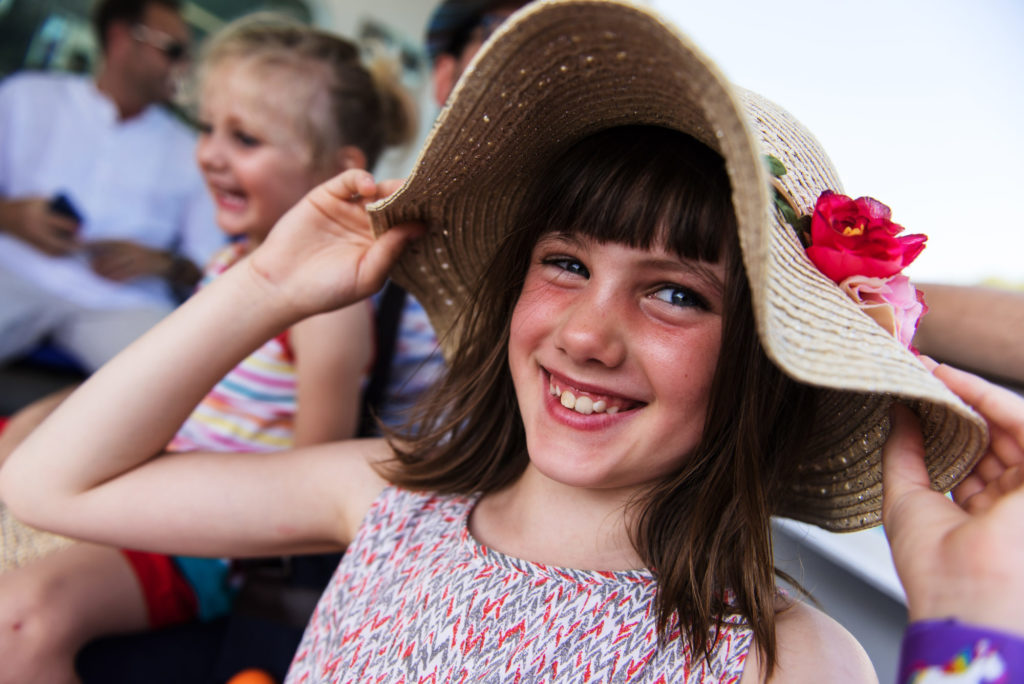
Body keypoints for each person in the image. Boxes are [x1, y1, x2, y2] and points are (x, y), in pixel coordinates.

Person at [1, 1, 1020, 681]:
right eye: (566, 263)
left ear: (761, 359)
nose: (586, 331)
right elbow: (54, 485)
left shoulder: (785, 654)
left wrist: (969, 616)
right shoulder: (391, 495)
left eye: (673, 294)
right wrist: (265, 286)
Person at [0, 14, 417, 684]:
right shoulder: (232, 259)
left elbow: (301, 489)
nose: (210, 153)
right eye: (209, 128)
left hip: (212, 541)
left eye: (245, 138)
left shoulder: (324, 309)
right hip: (148, 476)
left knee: (19, 622)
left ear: (340, 171)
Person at [0, 0, 222, 372]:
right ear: (122, 38)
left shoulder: (193, 150)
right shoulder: (27, 97)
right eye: (173, 51)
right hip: (16, 268)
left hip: (120, 301)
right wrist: (11, 216)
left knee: (176, 380)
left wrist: (161, 263)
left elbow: (209, 266)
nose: (183, 66)